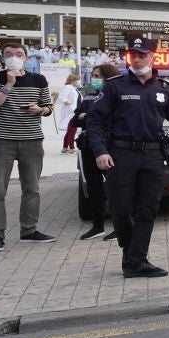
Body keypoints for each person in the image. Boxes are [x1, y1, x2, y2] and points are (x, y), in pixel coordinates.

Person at [84, 38, 169, 278]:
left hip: (153, 156)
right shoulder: (115, 87)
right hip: (120, 154)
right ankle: (133, 255)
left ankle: (135, 262)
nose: (136, 59)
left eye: (141, 55)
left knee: (148, 209)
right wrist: (100, 151)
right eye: (132, 55)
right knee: (120, 208)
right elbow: (94, 121)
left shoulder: (165, 89)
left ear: (152, 57)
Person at [0, 42, 55, 253]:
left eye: (19, 54)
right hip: (0, 141)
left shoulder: (38, 79)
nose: (14, 57)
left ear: (26, 57)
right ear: (2, 58)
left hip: (31, 140)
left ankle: (29, 230)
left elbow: (48, 107)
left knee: (32, 188)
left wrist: (39, 110)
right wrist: (8, 84)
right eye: (9, 54)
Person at [75, 62, 119, 241]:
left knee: (116, 187)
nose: (94, 79)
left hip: (110, 146)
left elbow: (113, 119)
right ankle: (97, 226)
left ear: (107, 77)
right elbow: (75, 120)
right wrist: (84, 117)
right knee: (93, 187)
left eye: (98, 76)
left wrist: (89, 116)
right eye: (93, 76)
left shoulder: (115, 95)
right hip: (88, 146)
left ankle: (119, 226)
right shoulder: (88, 97)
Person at [56, 72, 81, 153]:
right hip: (71, 111)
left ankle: (65, 147)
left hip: (75, 111)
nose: (78, 82)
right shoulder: (67, 87)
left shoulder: (74, 88)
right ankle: (72, 148)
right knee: (72, 130)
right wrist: (67, 102)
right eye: (77, 80)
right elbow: (62, 97)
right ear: (73, 80)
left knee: (70, 130)